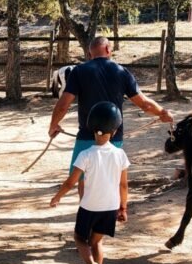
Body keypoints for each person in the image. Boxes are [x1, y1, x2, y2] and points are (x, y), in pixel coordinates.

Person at [49, 36, 173, 196]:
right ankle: (114, 211)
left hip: (87, 136)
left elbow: (63, 105)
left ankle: (86, 211)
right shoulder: (121, 71)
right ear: (108, 49)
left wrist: (53, 125)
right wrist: (162, 113)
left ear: (89, 53)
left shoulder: (79, 71)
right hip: (113, 137)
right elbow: (144, 104)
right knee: (113, 179)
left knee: (83, 179)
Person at [50, 102, 129, 264]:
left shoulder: (85, 155)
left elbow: (71, 183)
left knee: (79, 238)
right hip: (110, 208)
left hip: (89, 207)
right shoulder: (120, 154)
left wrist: (57, 197)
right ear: (116, 129)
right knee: (97, 242)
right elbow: (123, 185)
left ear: (91, 127)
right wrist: (123, 208)